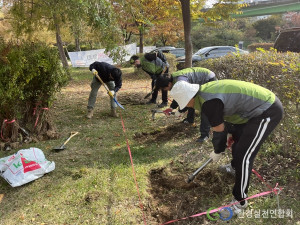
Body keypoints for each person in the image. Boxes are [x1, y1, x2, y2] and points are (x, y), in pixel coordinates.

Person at [169, 80, 283, 217]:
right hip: (250, 113)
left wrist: (218, 150)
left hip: (266, 110)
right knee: (238, 144)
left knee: (244, 156)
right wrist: (230, 133)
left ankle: (241, 200)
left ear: (189, 97)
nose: (186, 106)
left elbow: (218, 131)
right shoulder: (204, 93)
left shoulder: (209, 102)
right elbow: (226, 115)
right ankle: (234, 169)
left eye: (185, 103)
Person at [155, 67, 217, 143]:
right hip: (199, 79)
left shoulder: (180, 81)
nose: (166, 90)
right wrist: (171, 108)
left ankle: (205, 135)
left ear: (169, 84)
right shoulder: (174, 80)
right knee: (191, 100)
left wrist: (180, 111)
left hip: (208, 79)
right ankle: (190, 119)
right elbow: (182, 95)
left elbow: (187, 96)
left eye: (165, 88)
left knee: (205, 107)